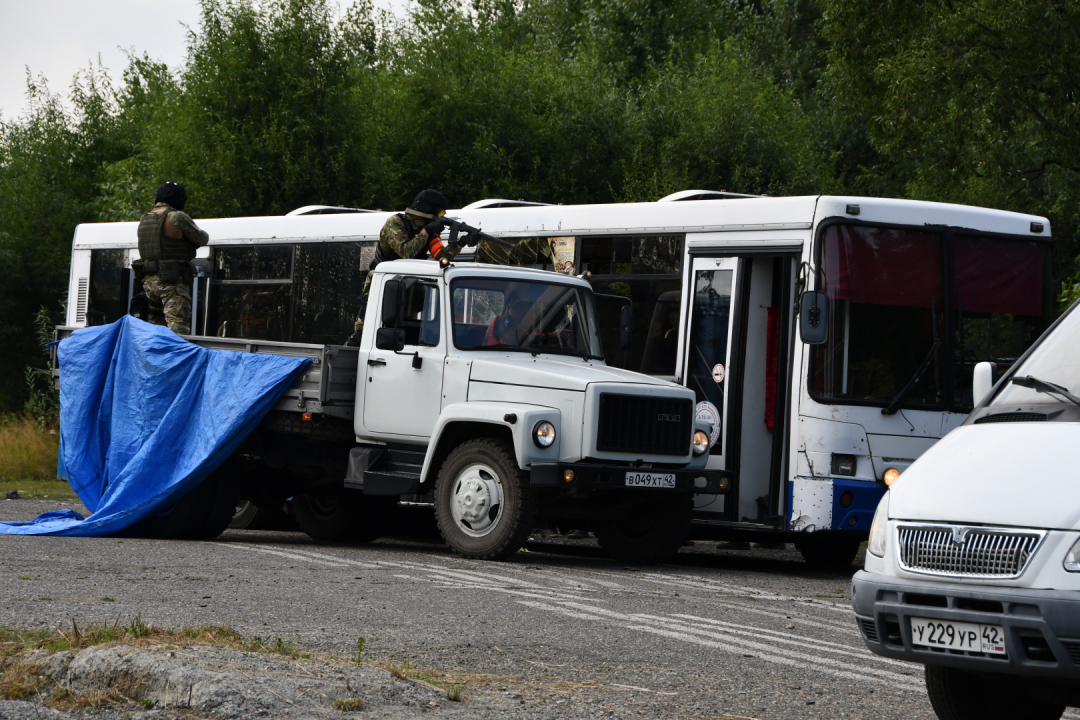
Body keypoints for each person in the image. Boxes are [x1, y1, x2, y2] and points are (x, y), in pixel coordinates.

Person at [346, 189, 460, 345]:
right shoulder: (395, 223)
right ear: (428, 209)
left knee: (406, 335)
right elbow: (406, 252)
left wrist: (460, 244)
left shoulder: (428, 231)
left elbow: (441, 257)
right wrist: (426, 231)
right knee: (363, 335)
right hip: (382, 286)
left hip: (410, 287)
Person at [136, 182, 209, 334]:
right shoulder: (176, 217)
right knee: (178, 332)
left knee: (155, 332)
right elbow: (202, 239)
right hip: (171, 283)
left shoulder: (145, 218)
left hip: (149, 284)